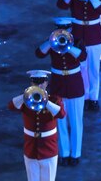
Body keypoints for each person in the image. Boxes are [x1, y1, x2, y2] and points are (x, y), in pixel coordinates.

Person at [35, 17, 87, 166]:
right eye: (59, 28)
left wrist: (68, 46)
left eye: (66, 28)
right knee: (61, 121)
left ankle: (75, 154)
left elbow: (83, 57)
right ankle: (64, 153)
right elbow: (39, 53)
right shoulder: (52, 41)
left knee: (76, 121)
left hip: (74, 84)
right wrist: (51, 41)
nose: (62, 31)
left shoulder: (77, 41)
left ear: (71, 28)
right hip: (58, 85)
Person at [57, 0, 101, 110]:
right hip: (78, 34)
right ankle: (84, 97)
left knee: (94, 68)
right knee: (81, 68)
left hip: (94, 34)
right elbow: (61, 4)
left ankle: (94, 98)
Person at [9, 70, 65, 181]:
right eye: (35, 82)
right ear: (31, 83)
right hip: (31, 148)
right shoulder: (26, 100)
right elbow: (11, 106)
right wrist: (25, 95)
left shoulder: (54, 99)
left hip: (48, 148)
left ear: (46, 83)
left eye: (41, 82)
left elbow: (61, 114)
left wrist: (45, 101)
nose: (38, 86)